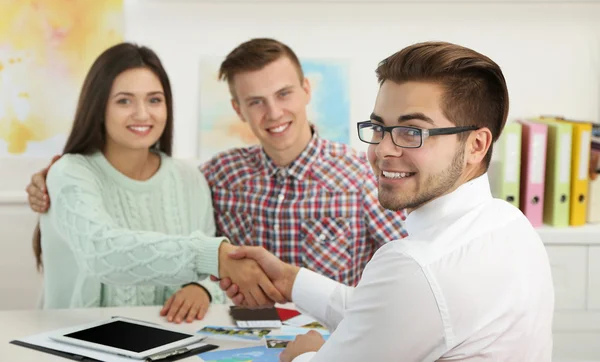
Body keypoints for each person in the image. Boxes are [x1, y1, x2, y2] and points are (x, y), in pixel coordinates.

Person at [216, 41, 555, 361]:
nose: (383, 150)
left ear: (476, 146)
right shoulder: (511, 223)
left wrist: (303, 354)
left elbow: (403, 299)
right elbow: (391, 312)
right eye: (379, 128)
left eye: (412, 132)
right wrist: (292, 280)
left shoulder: (416, 264)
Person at [27, 38, 408, 287]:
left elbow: (406, 265)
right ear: (237, 109)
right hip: (233, 337)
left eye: (284, 93)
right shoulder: (218, 176)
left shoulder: (360, 175)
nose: (273, 112)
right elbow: (144, 199)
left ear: (306, 90)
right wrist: (52, 178)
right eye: (255, 101)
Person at [31, 42, 283, 324]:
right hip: (72, 340)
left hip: (168, 342)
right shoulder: (70, 173)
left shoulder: (188, 178)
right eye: (124, 101)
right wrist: (212, 255)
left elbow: (214, 276)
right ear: (98, 106)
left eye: (154, 100)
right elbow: (101, 254)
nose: (142, 114)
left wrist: (202, 288)